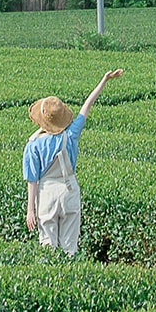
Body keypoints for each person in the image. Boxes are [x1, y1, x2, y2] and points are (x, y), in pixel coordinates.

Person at [22, 68, 121, 256]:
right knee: (69, 248)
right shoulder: (72, 134)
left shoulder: (33, 145)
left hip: (47, 194)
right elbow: (87, 105)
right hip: (69, 191)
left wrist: (30, 210)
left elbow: (32, 180)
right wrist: (104, 80)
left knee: (48, 248)